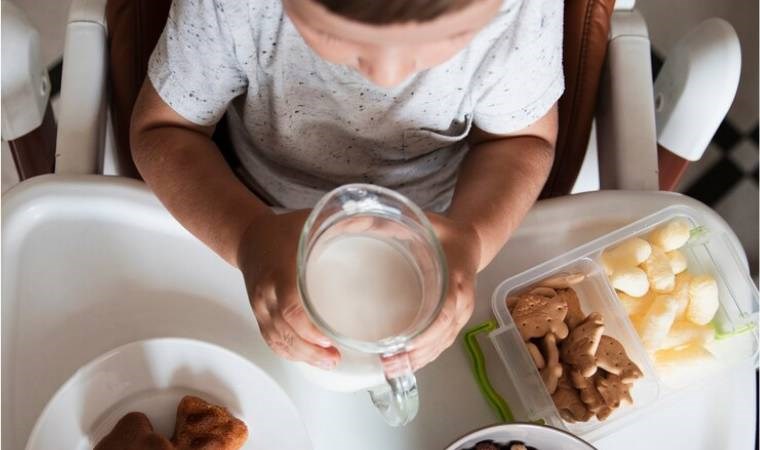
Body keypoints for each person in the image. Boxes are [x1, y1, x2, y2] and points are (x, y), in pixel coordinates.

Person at [130, 0, 563, 372]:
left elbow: (522, 140)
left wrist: (473, 239)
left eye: (450, 37)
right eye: (332, 34)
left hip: (444, 224)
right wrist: (247, 236)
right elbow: (163, 130)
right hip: (253, 216)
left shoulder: (520, 10)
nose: (387, 74)